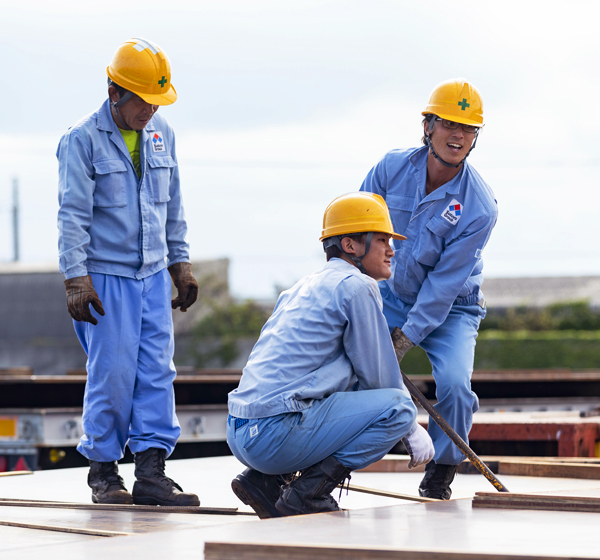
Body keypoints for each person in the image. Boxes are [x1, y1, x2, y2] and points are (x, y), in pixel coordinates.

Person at [227, 192, 434, 518]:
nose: (391, 250)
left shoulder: (301, 287)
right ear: (351, 245)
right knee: (396, 409)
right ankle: (308, 494)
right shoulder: (358, 287)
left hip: (240, 432)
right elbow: (379, 381)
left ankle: (263, 482)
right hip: (274, 437)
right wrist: (409, 427)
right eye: (382, 240)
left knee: (341, 388)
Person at [57, 38, 199, 506]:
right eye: (142, 99)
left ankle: (152, 472)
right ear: (114, 91)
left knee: (157, 372)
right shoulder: (81, 139)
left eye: (157, 101)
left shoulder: (164, 136)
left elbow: (173, 208)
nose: (150, 111)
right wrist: (77, 279)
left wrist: (181, 265)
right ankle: (104, 474)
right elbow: (72, 214)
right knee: (113, 375)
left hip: (153, 277)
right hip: (107, 279)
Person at [360, 78, 498, 499]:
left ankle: (442, 466)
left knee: (455, 385)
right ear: (427, 127)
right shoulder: (390, 168)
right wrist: (356, 299)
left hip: (452, 308)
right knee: (342, 366)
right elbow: (359, 232)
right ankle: (320, 464)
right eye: (449, 124)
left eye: (468, 128)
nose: (458, 135)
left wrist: (404, 338)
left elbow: (442, 286)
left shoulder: (479, 206)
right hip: (390, 295)